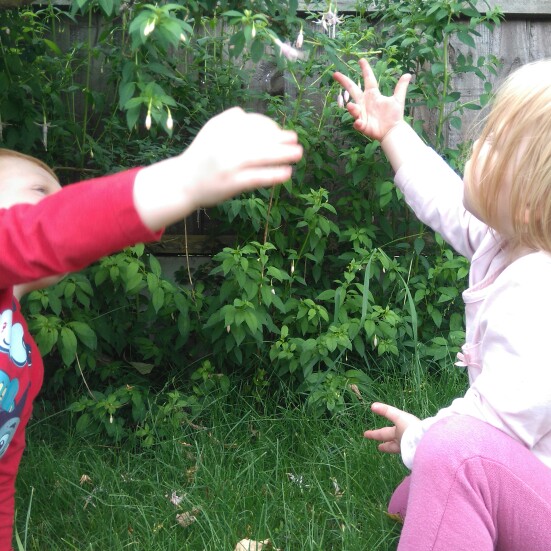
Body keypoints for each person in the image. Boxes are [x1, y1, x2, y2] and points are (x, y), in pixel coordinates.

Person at [0, 106, 303, 550]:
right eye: (41, 191)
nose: (60, 203)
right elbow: (47, 231)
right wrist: (182, 180)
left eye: (62, 195)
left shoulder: (20, 351)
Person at [333, 58, 551, 550]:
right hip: (533, 472)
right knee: (419, 491)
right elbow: (445, 198)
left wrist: (419, 438)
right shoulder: (509, 240)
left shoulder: (539, 293)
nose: (477, 144)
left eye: (494, 143)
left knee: (452, 457)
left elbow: (493, 427)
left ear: (529, 201)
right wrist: (393, 130)